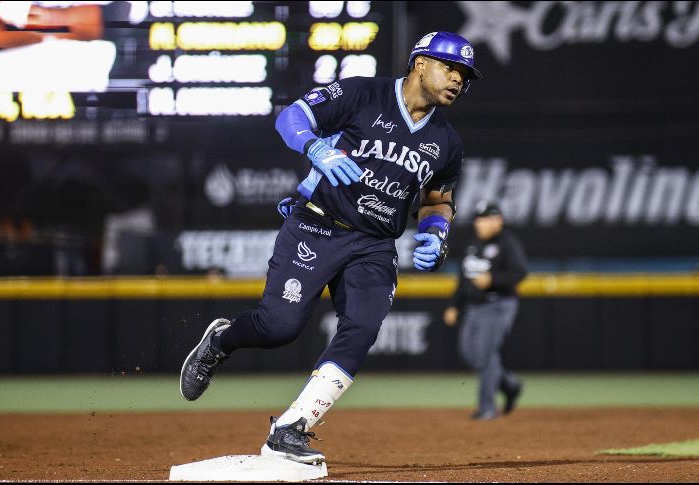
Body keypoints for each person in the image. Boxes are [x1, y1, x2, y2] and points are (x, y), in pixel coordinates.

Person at [179, 31, 482, 465]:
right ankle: (220, 341)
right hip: (318, 226)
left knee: (361, 328)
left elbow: (437, 200)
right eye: (450, 67)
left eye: (464, 76)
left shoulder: (447, 141)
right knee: (278, 327)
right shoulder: (363, 93)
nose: (457, 80)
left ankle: (291, 427)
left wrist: (436, 233)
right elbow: (292, 117)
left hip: (376, 244)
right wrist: (315, 146)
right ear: (419, 63)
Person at [443, 201, 528, 420]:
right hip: (473, 307)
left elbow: (519, 272)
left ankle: (487, 408)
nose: (479, 223)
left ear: (497, 220)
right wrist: (454, 305)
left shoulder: (508, 243)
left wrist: (493, 279)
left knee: (487, 355)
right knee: (470, 354)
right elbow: (463, 281)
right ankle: (510, 384)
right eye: (478, 219)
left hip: (498, 305)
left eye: (484, 219)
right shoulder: (473, 245)